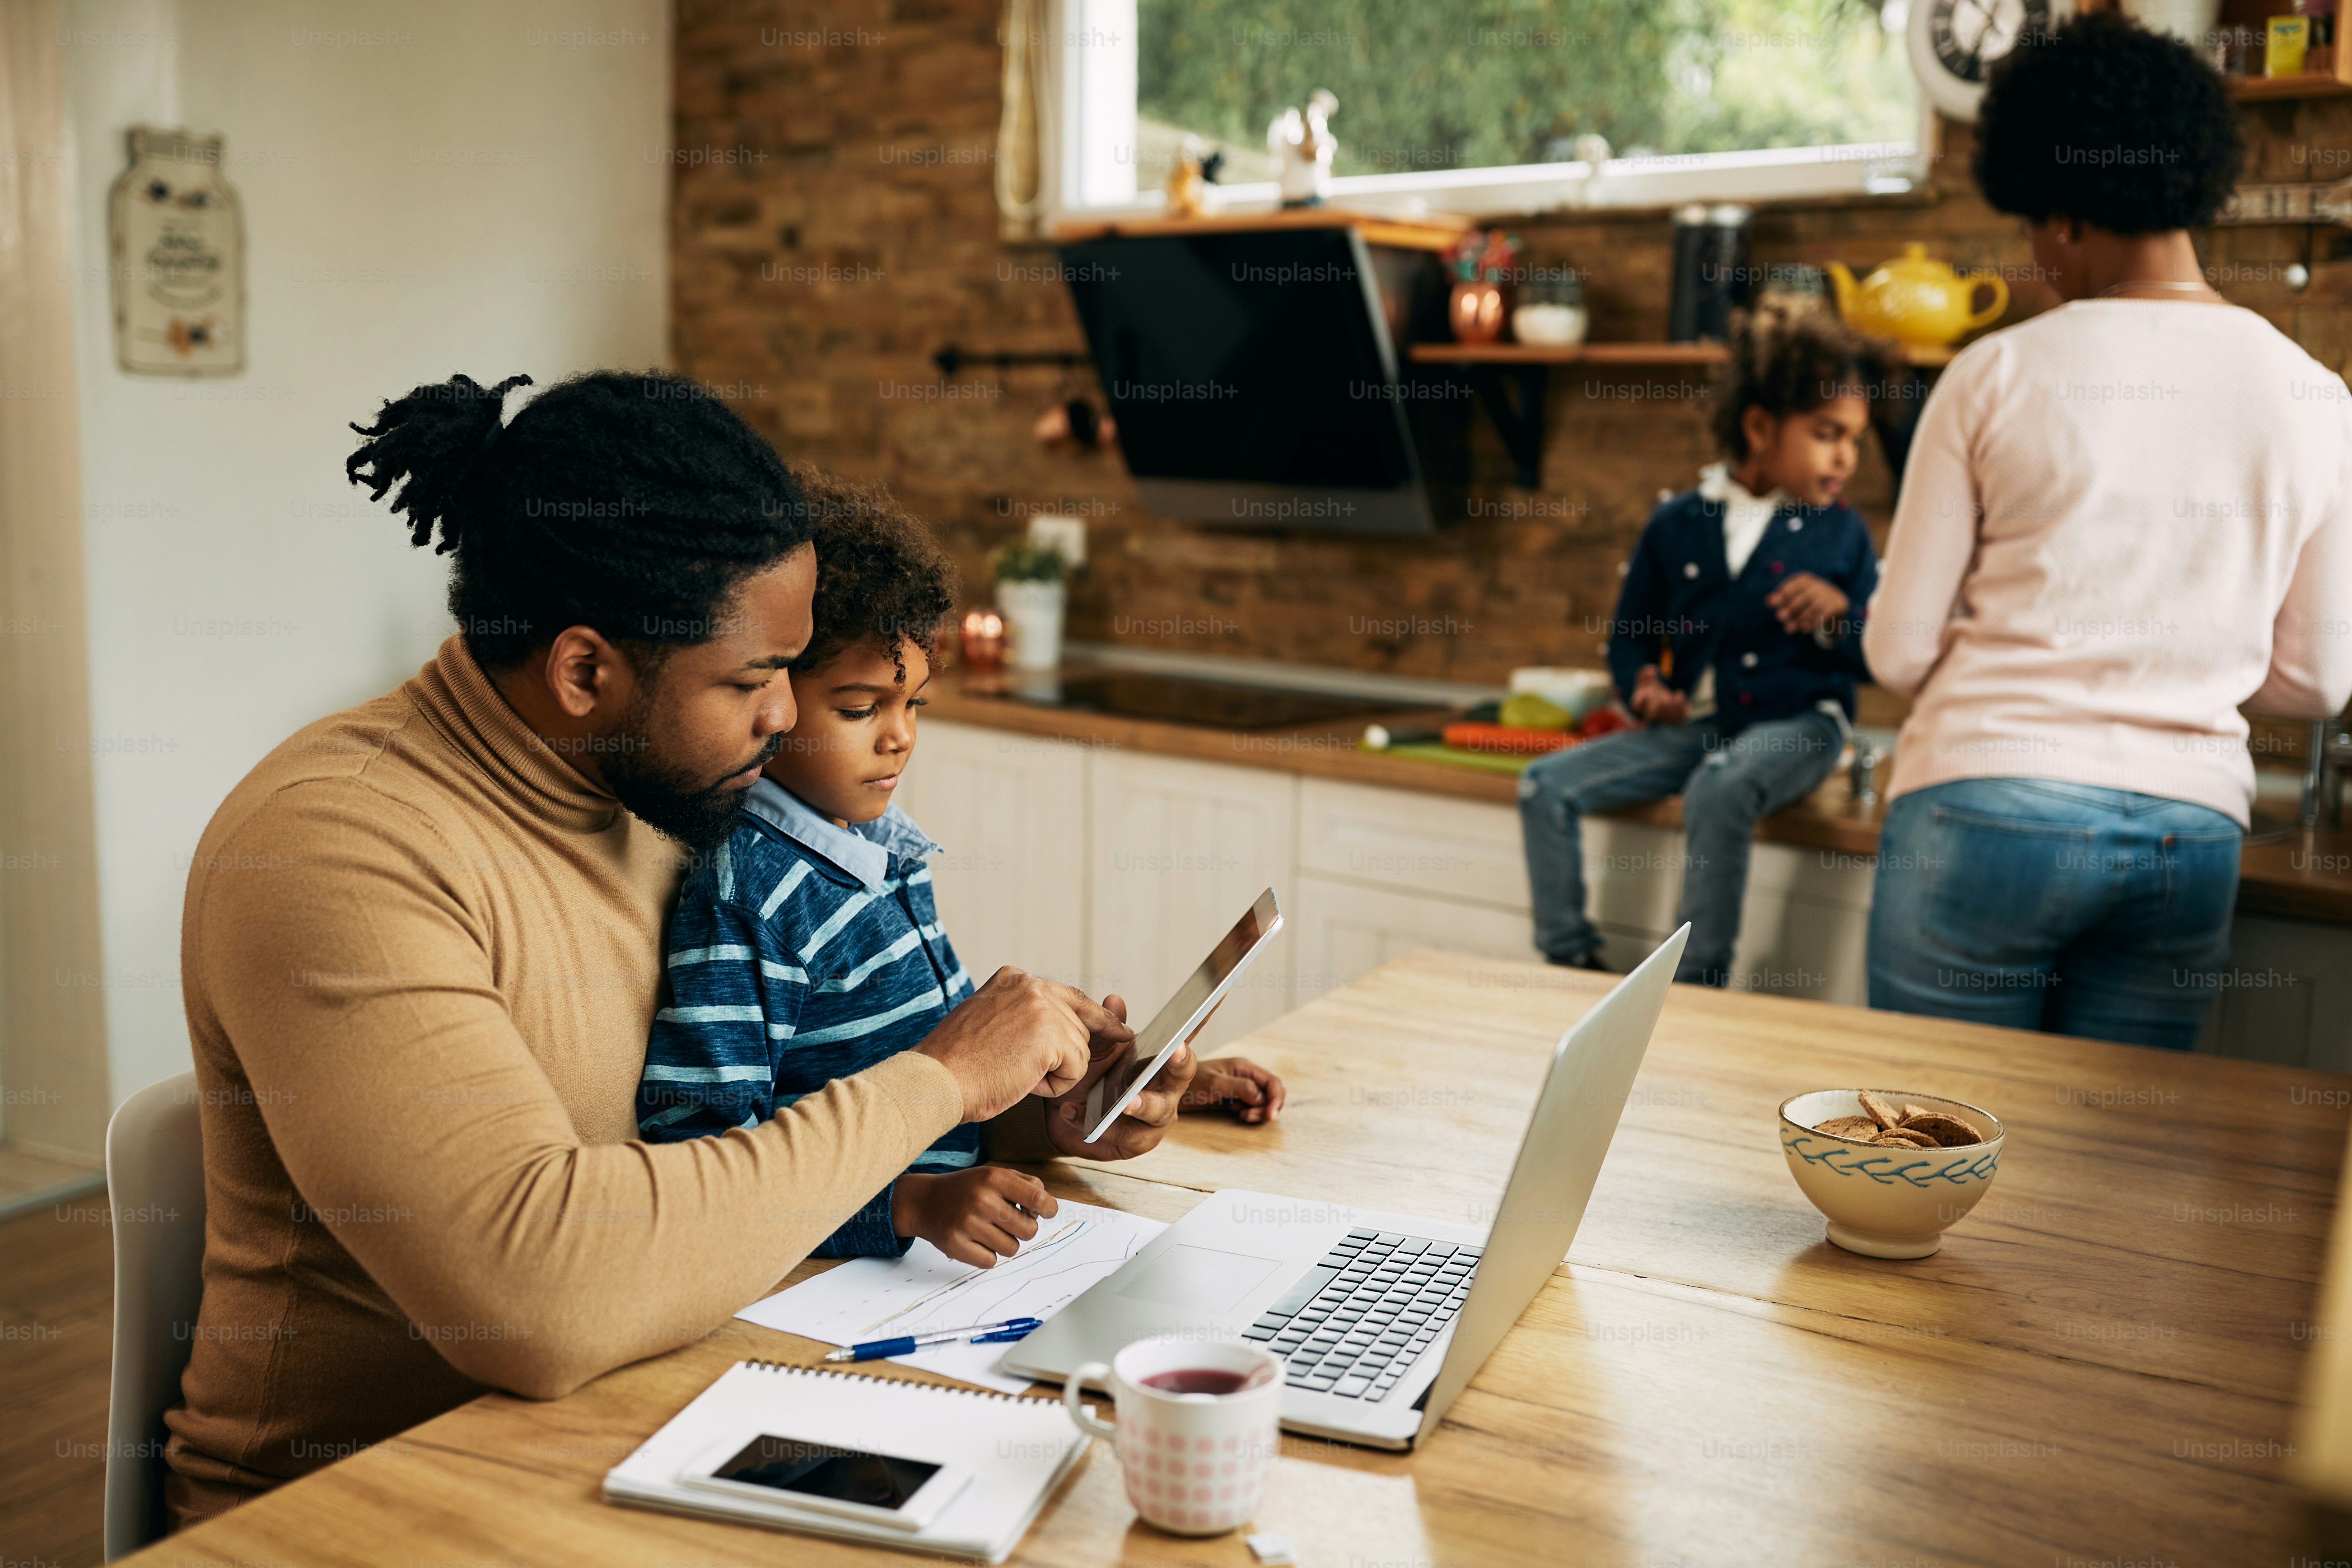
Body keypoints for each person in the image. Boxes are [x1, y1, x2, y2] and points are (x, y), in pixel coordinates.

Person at [164, 370, 1197, 1527]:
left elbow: (806, 1098)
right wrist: (943, 1072)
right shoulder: (339, 849)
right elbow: (539, 1300)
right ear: (584, 671)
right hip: (366, 1503)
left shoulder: (657, 786)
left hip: (656, 1409)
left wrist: (1035, 1104)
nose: (783, 717)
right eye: (755, 680)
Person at [637, 468, 1284, 1268]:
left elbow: (950, 1089)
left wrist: (1079, 1106)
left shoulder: (890, 853)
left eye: (914, 705)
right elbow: (700, 1163)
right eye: (859, 708)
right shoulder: (748, 897)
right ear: (766, 691)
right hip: (826, 1284)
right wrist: (909, 1206)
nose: (899, 736)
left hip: (949, 1259)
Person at [1862, 14, 2352, 1049]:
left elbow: (1897, 650)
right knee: (2112, 1179)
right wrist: (2174, 663)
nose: (2038, 259)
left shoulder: (1992, 373)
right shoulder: (2317, 397)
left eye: (2034, 229)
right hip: (2189, 833)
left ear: (2069, 213)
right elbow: (2316, 683)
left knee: (1938, 1151)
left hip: (1984, 807)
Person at [1518, 306, 1894, 986]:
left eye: (1856, 440)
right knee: (1545, 785)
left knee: (1720, 789)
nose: (1847, 456)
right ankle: (1569, 959)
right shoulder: (1677, 523)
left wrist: (1841, 615)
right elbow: (1631, 635)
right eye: (1828, 434)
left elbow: (1876, 656)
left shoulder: (1843, 534)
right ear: (1758, 428)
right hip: (1701, 730)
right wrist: (1642, 686)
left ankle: (1695, 985)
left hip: (1803, 727)